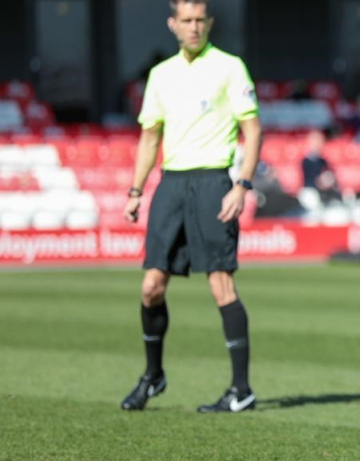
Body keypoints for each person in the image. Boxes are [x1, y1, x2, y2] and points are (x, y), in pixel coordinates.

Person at [120, 0, 261, 413]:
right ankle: (153, 375)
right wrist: (135, 190)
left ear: (209, 22)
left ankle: (241, 389)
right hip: (171, 184)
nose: (194, 27)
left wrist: (242, 184)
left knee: (220, 285)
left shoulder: (230, 67)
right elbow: (149, 138)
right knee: (150, 287)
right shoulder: (160, 75)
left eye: (201, 20)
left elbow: (252, 131)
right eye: (186, 20)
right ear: (173, 24)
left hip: (214, 181)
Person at [301, 129, 341, 203]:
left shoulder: (323, 161)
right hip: (311, 192)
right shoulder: (306, 161)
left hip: (324, 193)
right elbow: (310, 180)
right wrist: (320, 182)